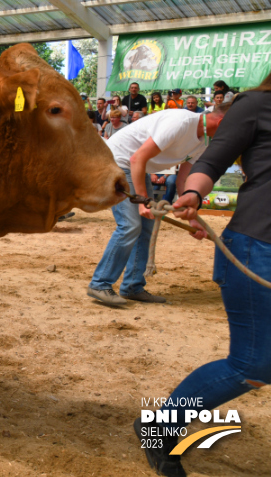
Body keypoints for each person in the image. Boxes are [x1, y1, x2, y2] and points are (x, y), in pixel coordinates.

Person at [134, 73, 271, 477]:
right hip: (257, 247)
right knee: (253, 364)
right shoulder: (255, 106)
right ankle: (158, 427)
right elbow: (210, 162)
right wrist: (191, 193)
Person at [87, 104, 231, 305]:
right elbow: (138, 158)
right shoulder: (181, 122)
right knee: (130, 225)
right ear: (223, 123)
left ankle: (132, 286)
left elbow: (183, 180)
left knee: (146, 226)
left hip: (137, 166)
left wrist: (193, 218)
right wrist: (142, 201)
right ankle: (100, 284)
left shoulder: (204, 141)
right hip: (117, 161)